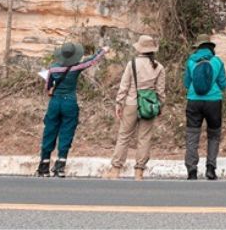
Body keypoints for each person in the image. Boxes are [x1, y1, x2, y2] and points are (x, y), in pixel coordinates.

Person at [37, 41, 108, 177]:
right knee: (66, 132)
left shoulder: (53, 69)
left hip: (54, 102)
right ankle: (60, 167)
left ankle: (44, 166)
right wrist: (102, 51)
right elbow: (91, 61)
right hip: (69, 102)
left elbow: (47, 87)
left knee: (50, 131)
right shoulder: (76, 67)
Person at [110, 35, 167, 181]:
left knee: (124, 136)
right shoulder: (159, 67)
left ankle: (116, 170)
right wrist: (159, 107)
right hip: (148, 105)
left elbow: (124, 85)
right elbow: (160, 91)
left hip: (131, 103)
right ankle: (139, 172)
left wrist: (119, 103)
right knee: (144, 138)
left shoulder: (132, 64)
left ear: (140, 49)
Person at [184, 34, 226, 180]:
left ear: (198, 47)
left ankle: (192, 169)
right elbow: (223, 84)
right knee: (214, 135)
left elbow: (186, 83)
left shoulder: (190, 61)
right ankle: (210, 168)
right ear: (210, 47)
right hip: (214, 102)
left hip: (194, 101)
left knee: (192, 135)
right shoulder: (217, 61)